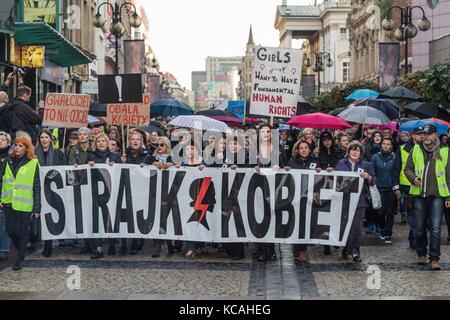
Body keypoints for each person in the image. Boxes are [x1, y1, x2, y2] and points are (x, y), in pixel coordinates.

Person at [404, 124, 450, 270]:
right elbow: (407, 168)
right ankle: (421, 254)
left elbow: (448, 175)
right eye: (424, 134)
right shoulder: (416, 148)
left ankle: (435, 258)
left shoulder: (445, 150)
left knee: (436, 228)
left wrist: (448, 197)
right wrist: (413, 179)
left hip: (438, 195)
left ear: (435, 134)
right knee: (419, 227)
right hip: (419, 194)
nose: (426, 137)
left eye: (429, 134)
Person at [0, 136, 40, 270]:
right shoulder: (7, 161)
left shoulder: (33, 163)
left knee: (23, 231)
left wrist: (37, 207)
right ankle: (21, 247)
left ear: (27, 148)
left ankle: (19, 260)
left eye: (21, 146)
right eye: (16, 145)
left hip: (25, 203)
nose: (17, 148)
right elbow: (1, 180)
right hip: (8, 201)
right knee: (10, 230)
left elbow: (36, 186)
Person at [335, 140, 376, 263]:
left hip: (360, 201)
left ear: (361, 153)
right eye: (353, 149)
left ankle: (355, 251)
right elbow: (336, 179)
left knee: (357, 227)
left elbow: (374, 181)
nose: (355, 152)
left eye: (357, 150)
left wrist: (368, 177)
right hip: (344, 200)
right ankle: (347, 247)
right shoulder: (341, 163)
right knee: (345, 226)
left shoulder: (366, 165)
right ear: (348, 151)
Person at [254, 124, 287, 262]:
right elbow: (245, 166)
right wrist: (253, 167)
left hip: (274, 187)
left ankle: (271, 249)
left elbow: (286, 164)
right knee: (260, 218)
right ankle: (261, 249)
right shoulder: (252, 149)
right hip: (257, 187)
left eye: (268, 131)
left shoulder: (277, 148)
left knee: (271, 217)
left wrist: (280, 166)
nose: (266, 134)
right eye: (263, 131)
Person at [119, 131, 153, 255]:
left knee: (137, 216)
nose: (135, 141)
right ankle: (123, 242)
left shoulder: (147, 155)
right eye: (133, 139)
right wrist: (120, 162)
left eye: (137, 139)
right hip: (125, 190)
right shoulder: (122, 154)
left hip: (140, 191)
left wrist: (147, 166)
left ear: (141, 142)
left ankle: (136, 241)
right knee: (124, 216)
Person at [87, 133, 120, 259]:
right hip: (95, 192)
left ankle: (112, 244)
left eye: (103, 141)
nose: (101, 143)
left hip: (110, 192)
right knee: (97, 219)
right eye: (98, 141)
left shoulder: (114, 156)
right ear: (95, 143)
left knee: (109, 218)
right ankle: (98, 247)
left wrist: (115, 166)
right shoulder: (91, 156)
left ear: (107, 143)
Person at [35, 129, 66, 257]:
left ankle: (59, 239)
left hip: (55, 189)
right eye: (41, 138)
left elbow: (63, 168)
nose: (43, 140)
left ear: (50, 139)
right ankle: (47, 245)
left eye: (46, 137)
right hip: (40, 189)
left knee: (55, 215)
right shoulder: (35, 154)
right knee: (45, 216)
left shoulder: (59, 153)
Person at [288, 139, 320, 262]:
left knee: (306, 225)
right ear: (297, 150)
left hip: (309, 198)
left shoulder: (315, 162)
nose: (304, 150)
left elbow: (321, 178)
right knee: (296, 223)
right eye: (301, 148)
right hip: (295, 197)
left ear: (310, 150)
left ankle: (303, 250)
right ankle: (296, 246)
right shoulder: (292, 161)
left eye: (306, 148)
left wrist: (321, 171)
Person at [175, 144, 206, 258]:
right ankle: (191, 247)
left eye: (192, 148)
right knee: (189, 222)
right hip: (185, 196)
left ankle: (199, 245)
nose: (190, 151)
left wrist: (204, 169)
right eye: (187, 148)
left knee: (199, 221)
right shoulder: (182, 164)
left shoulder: (202, 163)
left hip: (200, 195)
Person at [150, 136, 177, 257]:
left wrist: (170, 165)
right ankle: (158, 245)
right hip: (154, 192)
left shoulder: (173, 158)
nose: (159, 147)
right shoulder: (151, 157)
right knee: (157, 219)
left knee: (166, 219)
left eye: (162, 145)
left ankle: (168, 243)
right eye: (157, 145)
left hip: (169, 192)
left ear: (167, 146)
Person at [67, 127, 92, 253]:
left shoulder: (93, 148)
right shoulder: (74, 150)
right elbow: (71, 164)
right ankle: (86, 243)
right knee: (83, 214)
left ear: (88, 136)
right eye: (80, 134)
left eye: (84, 134)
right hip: (80, 185)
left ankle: (94, 243)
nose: (82, 136)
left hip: (92, 185)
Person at [371, 137, 400, 245]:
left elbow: (396, 172)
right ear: (381, 145)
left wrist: (396, 187)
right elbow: (372, 172)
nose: (386, 146)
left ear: (391, 146)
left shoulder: (395, 157)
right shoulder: (375, 157)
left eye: (388, 144)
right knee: (380, 212)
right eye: (384, 144)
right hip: (379, 189)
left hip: (391, 188)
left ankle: (388, 233)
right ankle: (382, 228)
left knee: (390, 212)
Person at [398, 128, 424, 246]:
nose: (421, 137)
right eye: (419, 135)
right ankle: (415, 240)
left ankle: (414, 237)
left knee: (422, 216)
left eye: (423, 134)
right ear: (413, 136)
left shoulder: (428, 148)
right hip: (408, 186)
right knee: (413, 214)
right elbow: (399, 167)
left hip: (424, 187)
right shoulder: (402, 148)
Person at [0, 132, 12, 261]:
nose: (0, 141)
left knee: (5, 223)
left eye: (3, 140)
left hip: (6, 194)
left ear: (8, 142)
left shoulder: (11, 156)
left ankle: (3, 249)